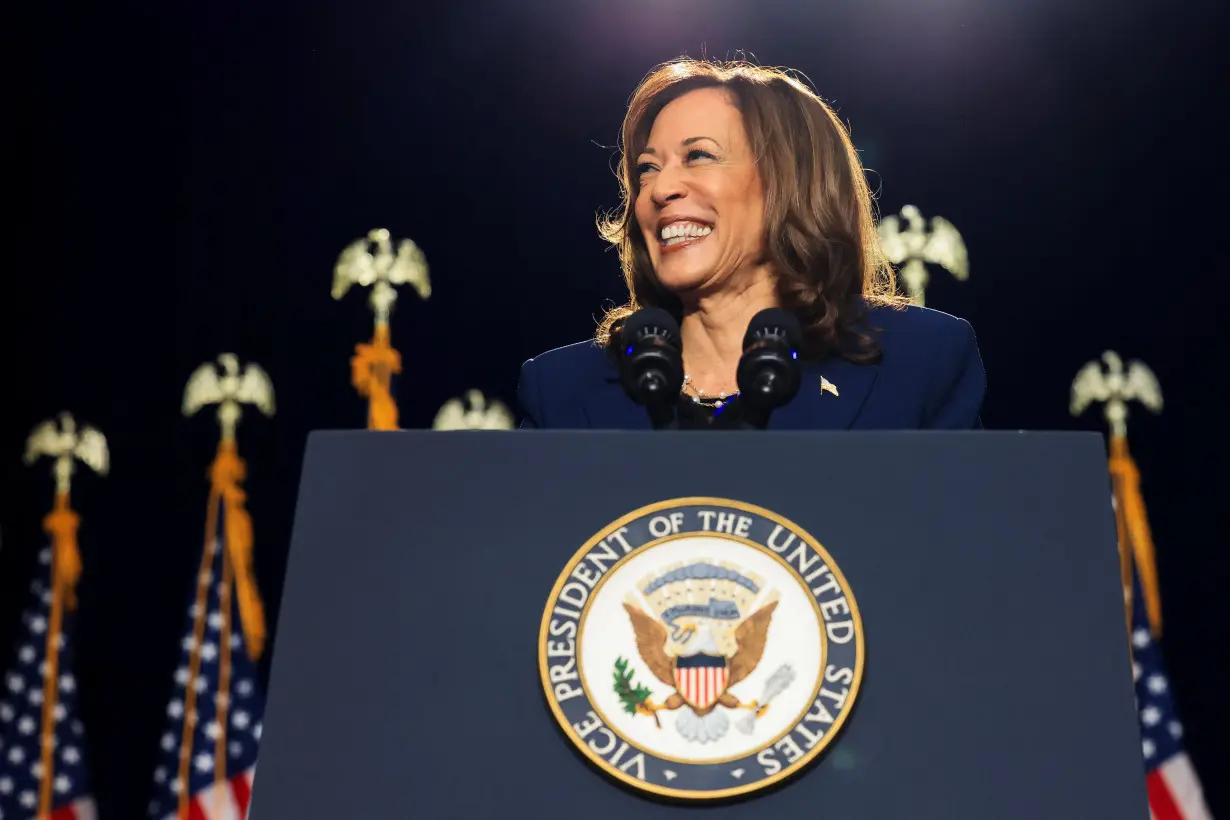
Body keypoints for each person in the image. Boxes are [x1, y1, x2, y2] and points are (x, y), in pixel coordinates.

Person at [516, 58, 986, 430]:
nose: (659, 190)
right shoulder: (561, 392)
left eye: (698, 156)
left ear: (791, 183)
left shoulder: (920, 364)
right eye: (647, 168)